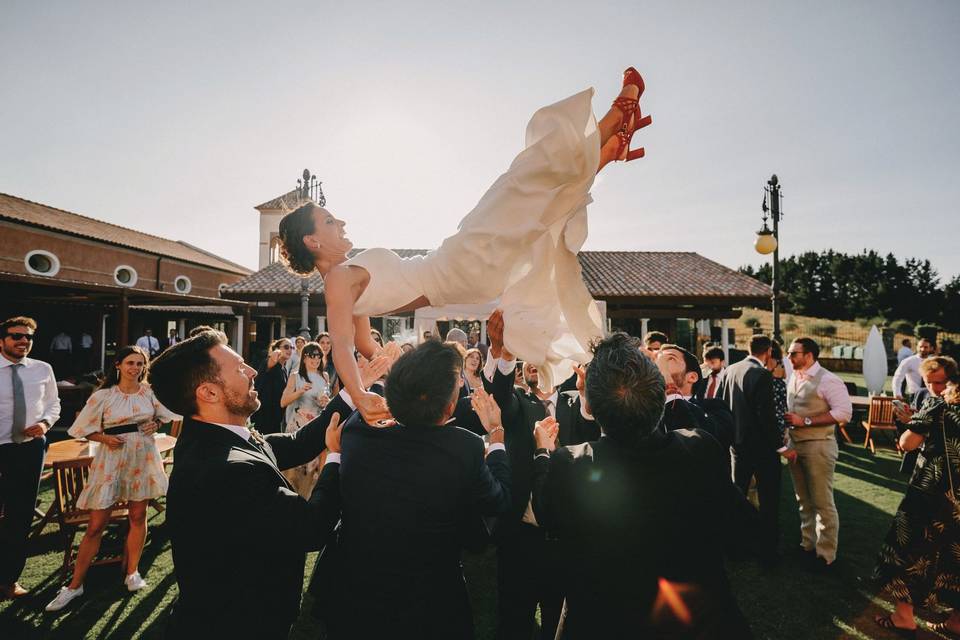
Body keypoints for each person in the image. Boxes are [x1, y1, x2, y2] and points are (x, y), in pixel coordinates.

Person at [276, 67, 652, 423]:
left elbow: (363, 344)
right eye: (329, 221)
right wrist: (359, 393)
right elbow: (342, 344)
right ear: (312, 241)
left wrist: (391, 370)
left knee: (526, 220)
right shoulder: (338, 280)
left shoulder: (345, 283)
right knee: (515, 188)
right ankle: (617, 118)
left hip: (460, 275)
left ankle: (604, 152)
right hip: (453, 266)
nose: (340, 222)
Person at [530, 333, 758, 638]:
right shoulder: (699, 448)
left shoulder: (570, 464)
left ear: (593, 408)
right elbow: (744, 534)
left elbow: (545, 513)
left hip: (602, 624)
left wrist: (543, 452)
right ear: (659, 398)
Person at [149, 330, 349, 639]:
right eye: (241, 367)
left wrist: (352, 394)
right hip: (239, 624)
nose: (254, 371)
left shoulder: (213, 434)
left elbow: (297, 442)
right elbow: (311, 528)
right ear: (209, 393)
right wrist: (334, 458)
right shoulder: (229, 470)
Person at [333, 340, 511, 640]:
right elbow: (500, 501)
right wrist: (495, 436)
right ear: (451, 405)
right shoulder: (464, 447)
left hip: (363, 597)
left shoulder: (357, 431)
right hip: (434, 603)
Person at [484, 310, 598, 640]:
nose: (534, 362)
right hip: (520, 533)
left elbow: (591, 422)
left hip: (568, 535)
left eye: (542, 356)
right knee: (514, 622)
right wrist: (501, 353)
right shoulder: (518, 402)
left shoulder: (577, 400)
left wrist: (587, 389)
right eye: (528, 358)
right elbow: (500, 396)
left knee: (560, 624)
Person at [44, 346, 179, 611]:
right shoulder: (104, 395)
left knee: (138, 516)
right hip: (112, 459)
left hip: (142, 456)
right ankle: (74, 585)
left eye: (140, 364)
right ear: (117, 365)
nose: (135, 368)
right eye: (130, 363)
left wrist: (156, 424)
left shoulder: (150, 392)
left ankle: (132, 572)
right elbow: (82, 429)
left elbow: (166, 415)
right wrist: (104, 437)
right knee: (95, 525)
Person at [873, 356, 960, 636]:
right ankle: (956, 621)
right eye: (928, 382)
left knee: (907, 550)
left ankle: (903, 617)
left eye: (939, 382)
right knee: (954, 556)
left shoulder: (936, 405)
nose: (933, 388)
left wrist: (909, 423)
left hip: (930, 493)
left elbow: (907, 443)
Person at [0, 316, 60, 600]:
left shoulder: (42, 369)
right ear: (2, 340)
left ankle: (9, 580)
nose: (23, 341)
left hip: (28, 449)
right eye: (16, 336)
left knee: (20, 515)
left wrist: (46, 423)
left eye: (28, 337)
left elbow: (53, 404)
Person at [716, 334, 789, 564]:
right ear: (767, 351)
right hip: (763, 450)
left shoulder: (730, 370)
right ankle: (767, 551)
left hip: (736, 446)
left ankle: (733, 547)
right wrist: (781, 447)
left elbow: (720, 404)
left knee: (737, 494)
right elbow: (766, 417)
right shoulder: (761, 375)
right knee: (769, 500)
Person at [784, 337, 852, 570]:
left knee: (822, 502)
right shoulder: (794, 376)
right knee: (803, 500)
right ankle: (807, 545)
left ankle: (826, 556)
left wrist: (806, 420)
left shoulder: (828, 380)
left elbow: (844, 413)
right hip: (796, 445)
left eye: (794, 353)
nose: (789, 357)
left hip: (819, 446)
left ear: (809, 355)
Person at [656, 344, 735, 451]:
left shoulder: (716, 408)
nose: (659, 362)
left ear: (692, 377)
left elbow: (698, 446)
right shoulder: (646, 411)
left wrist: (669, 388)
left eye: (669, 358)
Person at [280, 341, 331, 498]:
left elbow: (326, 399)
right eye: (312, 356)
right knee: (294, 467)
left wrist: (326, 402)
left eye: (319, 356)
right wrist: (300, 391)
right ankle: (290, 498)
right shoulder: (296, 376)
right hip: (298, 425)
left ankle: (308, 499)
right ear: (304, 358)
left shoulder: (325, 376)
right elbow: (283, 401)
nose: (316, 359)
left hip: (317, 424)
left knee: (312, 468)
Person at [250, 337, 292, 434]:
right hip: (264, 413)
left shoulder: (284, 369)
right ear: (277, 348)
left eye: (291, 347)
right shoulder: (270, 362)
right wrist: (276, 351)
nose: (289, 350)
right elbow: (273, 358)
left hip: (276, 414)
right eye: (286, 347)